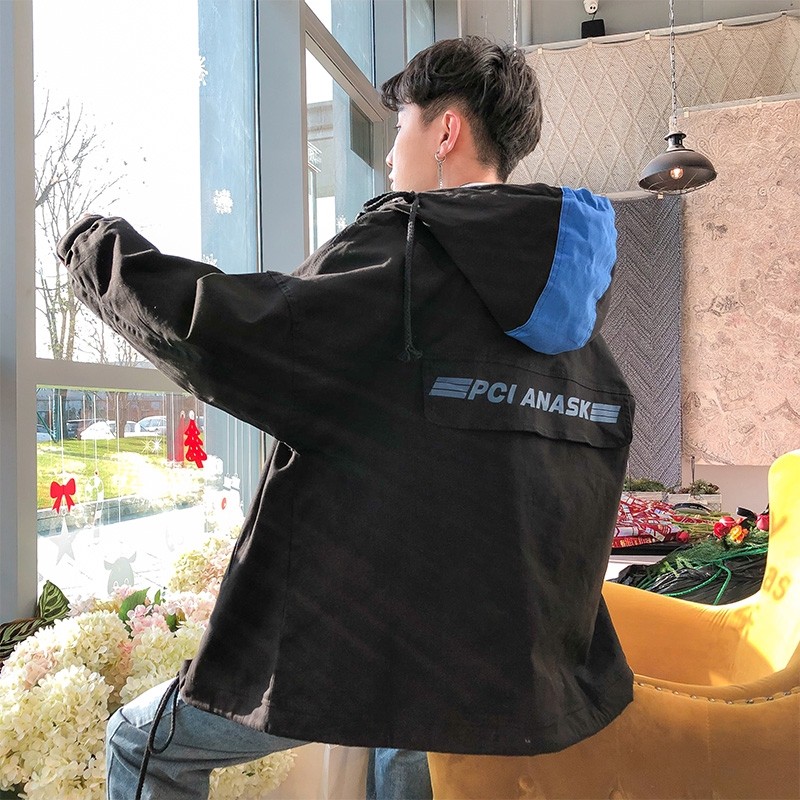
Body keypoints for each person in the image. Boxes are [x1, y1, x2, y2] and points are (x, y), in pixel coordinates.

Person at [57, 35, 635, 800]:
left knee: (140, 742)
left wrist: (94, 250)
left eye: (399, 127)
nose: (390, 155)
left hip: (378, 639)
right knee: (409, 752)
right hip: (511, 665)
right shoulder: (577, 314)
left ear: (446, 131)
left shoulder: (403, 257)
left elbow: (236, 335)